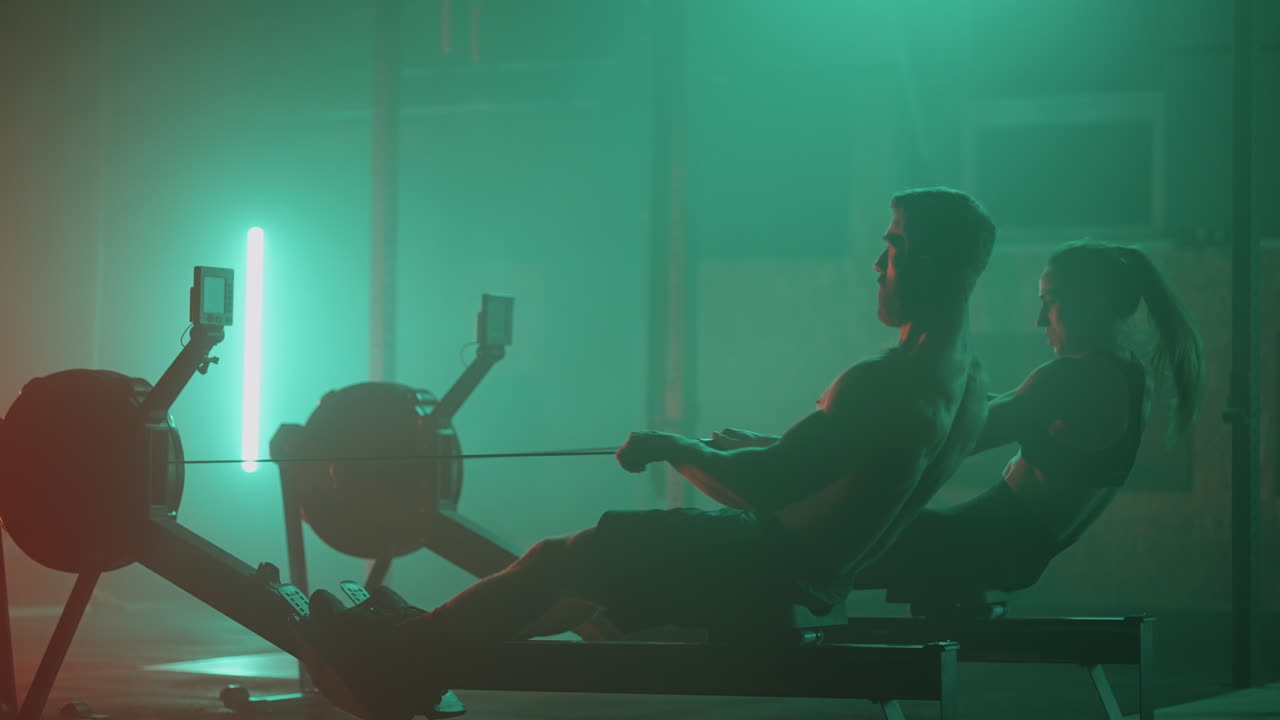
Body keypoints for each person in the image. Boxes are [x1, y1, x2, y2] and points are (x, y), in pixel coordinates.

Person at [296, 188, 997, 720]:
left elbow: (765, 487)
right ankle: (421, 645)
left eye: (894, 246)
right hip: (816, 576)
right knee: (575, 588)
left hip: (762, 565)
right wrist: (758, 449)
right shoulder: (967, 390)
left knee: (564, 561)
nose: (879, 264)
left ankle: (390, 665)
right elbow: (855, 471)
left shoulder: (882, 381)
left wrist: (670, 447)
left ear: (934, 262)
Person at [840, 239, 1203, 613]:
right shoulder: (1130, 375)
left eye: (1050, 301)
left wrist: (837, 444)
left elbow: (961, 436)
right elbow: (993, 409)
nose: (1040, 320)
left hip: (981, 549)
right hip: (1013, 552)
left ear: (1092, 301)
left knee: (820, 536)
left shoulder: (1075, 378)